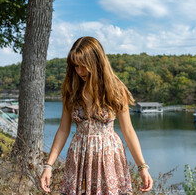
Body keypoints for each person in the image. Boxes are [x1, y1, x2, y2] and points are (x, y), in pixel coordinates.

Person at [40, 36, 153, 194]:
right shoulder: (71, 89)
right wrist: (48, 166)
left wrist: (142, 167)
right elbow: (63, 130)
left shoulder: (115, 89)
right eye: (76, 66)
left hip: (109, 158)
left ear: (96, 63)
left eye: (83, 66)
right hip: (79, 157)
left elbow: (128, 130)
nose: (79, 71)